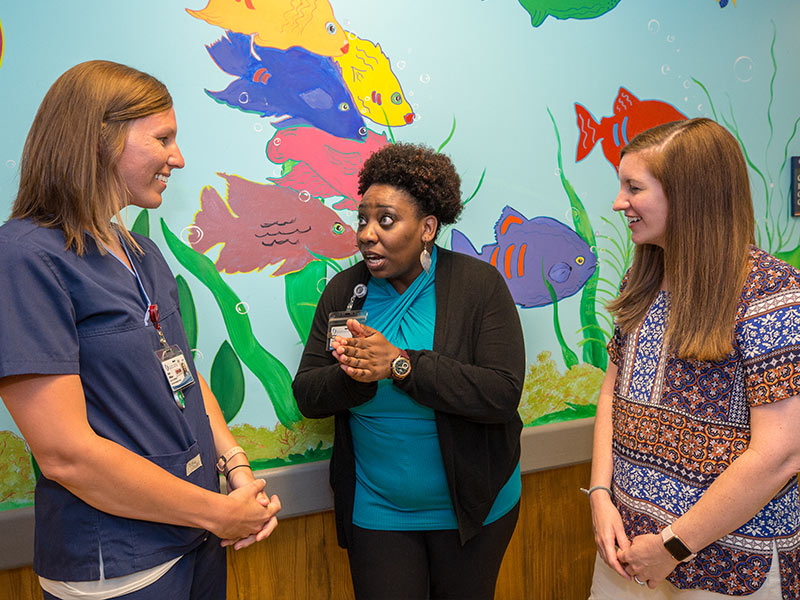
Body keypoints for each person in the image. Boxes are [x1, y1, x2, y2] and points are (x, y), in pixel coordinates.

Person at [0, 60, 281, 600]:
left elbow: (186, 373)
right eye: (163, 138)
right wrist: (220, 513)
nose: (178, 158)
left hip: (196, 537)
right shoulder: (26, 259)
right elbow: (66, 454)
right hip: (122, 566)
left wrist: (237, 469)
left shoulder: (140, 253)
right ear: (101, 141)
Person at [292, 142, 525, 600]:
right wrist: (353, 375)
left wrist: (399, 365)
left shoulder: (478, 287)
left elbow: (500, 394)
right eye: (362, 219)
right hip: (378, 511)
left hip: (472, 508)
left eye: (386, 220)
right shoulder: (345, 291)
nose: (366, 234)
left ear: (427, 228)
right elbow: (308, 394)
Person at [587, 117, 800, 599]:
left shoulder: (771, 293)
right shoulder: (640, 282)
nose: (619, 202)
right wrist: (601, 496)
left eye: (633, 188)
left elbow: (780, 454)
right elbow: (611, 394)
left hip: (729, 565)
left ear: (687, 196)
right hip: (628, 550)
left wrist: (673, 545)